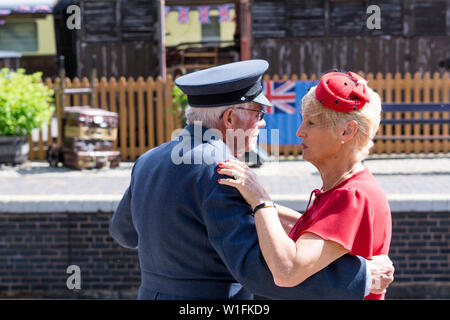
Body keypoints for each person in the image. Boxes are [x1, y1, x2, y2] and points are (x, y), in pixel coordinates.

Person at [110, 60, 394, 300]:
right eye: (258, 113)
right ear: (230, 119)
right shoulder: (221, 170)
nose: (262, 123)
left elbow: (124, 233)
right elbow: (260, 273)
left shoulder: (148, 160)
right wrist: (364, 276)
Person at [218, 71, 392, 300]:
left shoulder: (352, 195)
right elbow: (308, 229)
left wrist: (259, 201)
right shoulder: (348, 188)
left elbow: (287, 271)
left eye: (311, 122)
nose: (300, 132)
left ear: (346, 131)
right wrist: (248, 200)